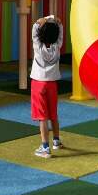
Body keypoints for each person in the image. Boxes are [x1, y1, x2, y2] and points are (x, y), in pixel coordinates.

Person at [30, 14, 64, 158]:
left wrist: (40, 22)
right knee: (53, 114)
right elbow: (60, 34)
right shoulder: (57, 47)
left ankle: (45, 148)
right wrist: (58, 23)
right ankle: (56, 141)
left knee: (42, 116)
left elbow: (34, 31)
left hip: (38, 83)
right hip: (52, 84)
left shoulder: (38, 47)